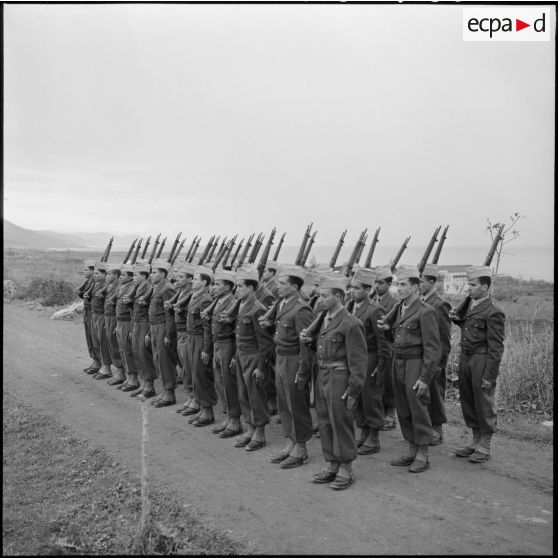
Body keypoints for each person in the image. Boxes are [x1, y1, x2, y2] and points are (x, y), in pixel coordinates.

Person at [300, 273, 367, 490]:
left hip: (340, 378)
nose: (320, 300)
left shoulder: (351, 323)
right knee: (325, 421)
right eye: (319, 295)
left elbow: (358, 361)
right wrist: (307, 341)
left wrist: (354, 389)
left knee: (341, 422)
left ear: (338, 296)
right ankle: (332, 464)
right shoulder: (323, 320)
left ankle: (346, 467)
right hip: (323, 376)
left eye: (325, 296)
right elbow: (320, 349)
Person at [378, 265, 441, 473]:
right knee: (403, 408)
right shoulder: (400, 309)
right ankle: (412, 449)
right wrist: (387, 331)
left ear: (415, 287)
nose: (398, 288)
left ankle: (423, 454)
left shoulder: (426, 311)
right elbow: (396, 338)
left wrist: (425, 378)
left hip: (416, 364)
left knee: (418, 407)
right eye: (397, 284)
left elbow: (433, 349)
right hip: (399, 363)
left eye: (403, 285)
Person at [450, 266, 505, 463]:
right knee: (469, 400)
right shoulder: (470, 305)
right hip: (466, 358)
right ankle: (475, 441)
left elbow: (496, 347)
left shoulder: (493, 311)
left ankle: (485, 444)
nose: (468, 288)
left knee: (483, 402)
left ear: (485, 286)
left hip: (481, 360)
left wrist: (490, 376)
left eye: (472, 285)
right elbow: (467, 325)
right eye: (469, 284)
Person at [260, 264, 313, 469]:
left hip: (294, 360)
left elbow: (305, 344)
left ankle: (301, 448)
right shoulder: (282, 304)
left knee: (297, 404)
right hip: (281, 357)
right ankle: (290, 442)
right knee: (284, 403)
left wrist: (303, 370)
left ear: (294, 286)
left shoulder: (301, 308)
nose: (278, 286)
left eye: (282, 284)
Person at [346, 268, 392, 455]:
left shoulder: (375, 310)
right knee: (357, 396)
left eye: (357, 288)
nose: (352, 291)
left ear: (367, 290)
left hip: (370, 358)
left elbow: (384, 343)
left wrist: (381, 367)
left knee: (371, 397)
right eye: (351, 287)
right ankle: (364, 432)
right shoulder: (349, 307)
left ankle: (374, 437)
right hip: (354, 358)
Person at [232, 266, 275, 451]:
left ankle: (260, 433)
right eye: (236, 286)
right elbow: (238, 335)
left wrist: (261, 367)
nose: (237, 289)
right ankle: (250, 428)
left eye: (240, 286)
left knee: (256, 395)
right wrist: (235, 357)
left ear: (251, 287)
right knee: (243, 394)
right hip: (242, 355)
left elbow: (265, 343)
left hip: (253, 358)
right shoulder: (241, 305)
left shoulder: (258, 309)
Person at [205, 268, 242, 437]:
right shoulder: (218, 302)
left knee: (229, 384)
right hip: (218, 344)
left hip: (228, 345)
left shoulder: (234, 303)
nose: (213, 287)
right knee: (220, 383)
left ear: (227, 288)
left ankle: (235, 421)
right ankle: (227, 417)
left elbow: (237, 332)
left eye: (217, 284)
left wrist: (234, 355)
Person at [419, 263, 452, 445]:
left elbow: (444, 338)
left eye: (422, 281)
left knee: (435, 393)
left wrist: (440, 363)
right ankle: (426, 428)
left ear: (432, 282)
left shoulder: (439, 305)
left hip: (435, 358)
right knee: (424, 394)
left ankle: (437, 429)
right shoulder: (421, 302)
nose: (419, 285)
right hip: (422, 357)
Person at [183, 265, 217, 426]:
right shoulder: (195, 296)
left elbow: (207, 328)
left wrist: (206, 349)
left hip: (199, 339)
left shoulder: (206, 300)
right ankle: (202, 407)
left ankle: (208, 410)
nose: (193, 281)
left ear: (204, 282)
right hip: (191, 337)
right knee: (193, 373)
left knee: (202, 375)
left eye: (196, 279)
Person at [123, 260, 157, 396]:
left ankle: (149, 385)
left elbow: (150, 311)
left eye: (136, 274)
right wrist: (129, 303)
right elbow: (135, 309)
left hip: (144, 323)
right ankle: (143, 383)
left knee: (144, 354)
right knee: (137, 353)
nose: (134, 277)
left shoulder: (148, 287)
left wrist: (149, 331)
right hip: (136, 322)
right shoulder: (137, 287)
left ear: (143, 276)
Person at [147, 258, 177, 407]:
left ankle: (170, 393)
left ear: (163, 274)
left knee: (165, 360)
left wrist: (168, 334)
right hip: (154, 326)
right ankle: (165, 391)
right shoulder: (156, 287)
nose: (151, 275)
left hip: (163, 327)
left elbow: (170, 315)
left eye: (154, 272)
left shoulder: (167, 289)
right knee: (158, 359)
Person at [373, 265, 399, 431]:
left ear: (389, 284)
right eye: (375, 283)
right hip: (373, 347)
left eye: (381, 283)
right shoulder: (372, 301)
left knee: (388, 382)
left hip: (387, 346)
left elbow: (396, 328)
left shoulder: (394, 304)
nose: (377, 286)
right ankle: (378, 412)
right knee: (376, 382)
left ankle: (390, 414)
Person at [172, 262, 197, 414]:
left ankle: (195, 398)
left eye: (181, 277)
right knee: (185, 367)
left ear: (189, 279)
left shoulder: (190, 293)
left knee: (190, 368)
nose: (177, 279)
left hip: (187, 333)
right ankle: (190, 396)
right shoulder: (181, 291)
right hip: (180, 332)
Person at [112, 263, 136, 387]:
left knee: (128, 350)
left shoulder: (132, 288)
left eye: (123, 275)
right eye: (120, 275)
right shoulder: (121, 287)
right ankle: (127, 375)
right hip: (120, 321)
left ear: (131, 277)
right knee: (122, 350)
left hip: (127, 322)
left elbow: (132, 310)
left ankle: (133, 377)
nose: (120, 277)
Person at [89, 261, 113, 380]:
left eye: (98, 273)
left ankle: (106, 367)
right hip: (95, 314)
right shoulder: (96, 283)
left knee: (103, 341)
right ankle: (100, 363)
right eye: (94, 273)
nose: (95, 275)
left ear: (104, 274)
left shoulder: (105, 285)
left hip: (102, 315)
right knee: (96, 340)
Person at [103, 262, 125, 385]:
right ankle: (118, 369)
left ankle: (121, 371)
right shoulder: (110, 285)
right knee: (111, 344)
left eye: (109, 274)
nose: (107, 276)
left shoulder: (118, 286)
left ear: (116, 275)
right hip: (109, 316)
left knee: (116, 345)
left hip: (115, 317)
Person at [76, 259, 100, 374]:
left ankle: (98, 361)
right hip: (87, 310)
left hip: (92, 311)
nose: (83, 272)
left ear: (92, 270)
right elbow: (82, 293)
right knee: (89, 336)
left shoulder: (95, 281)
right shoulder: (89, 281)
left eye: (86, 270)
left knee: (93, 337)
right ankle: (94, 360)